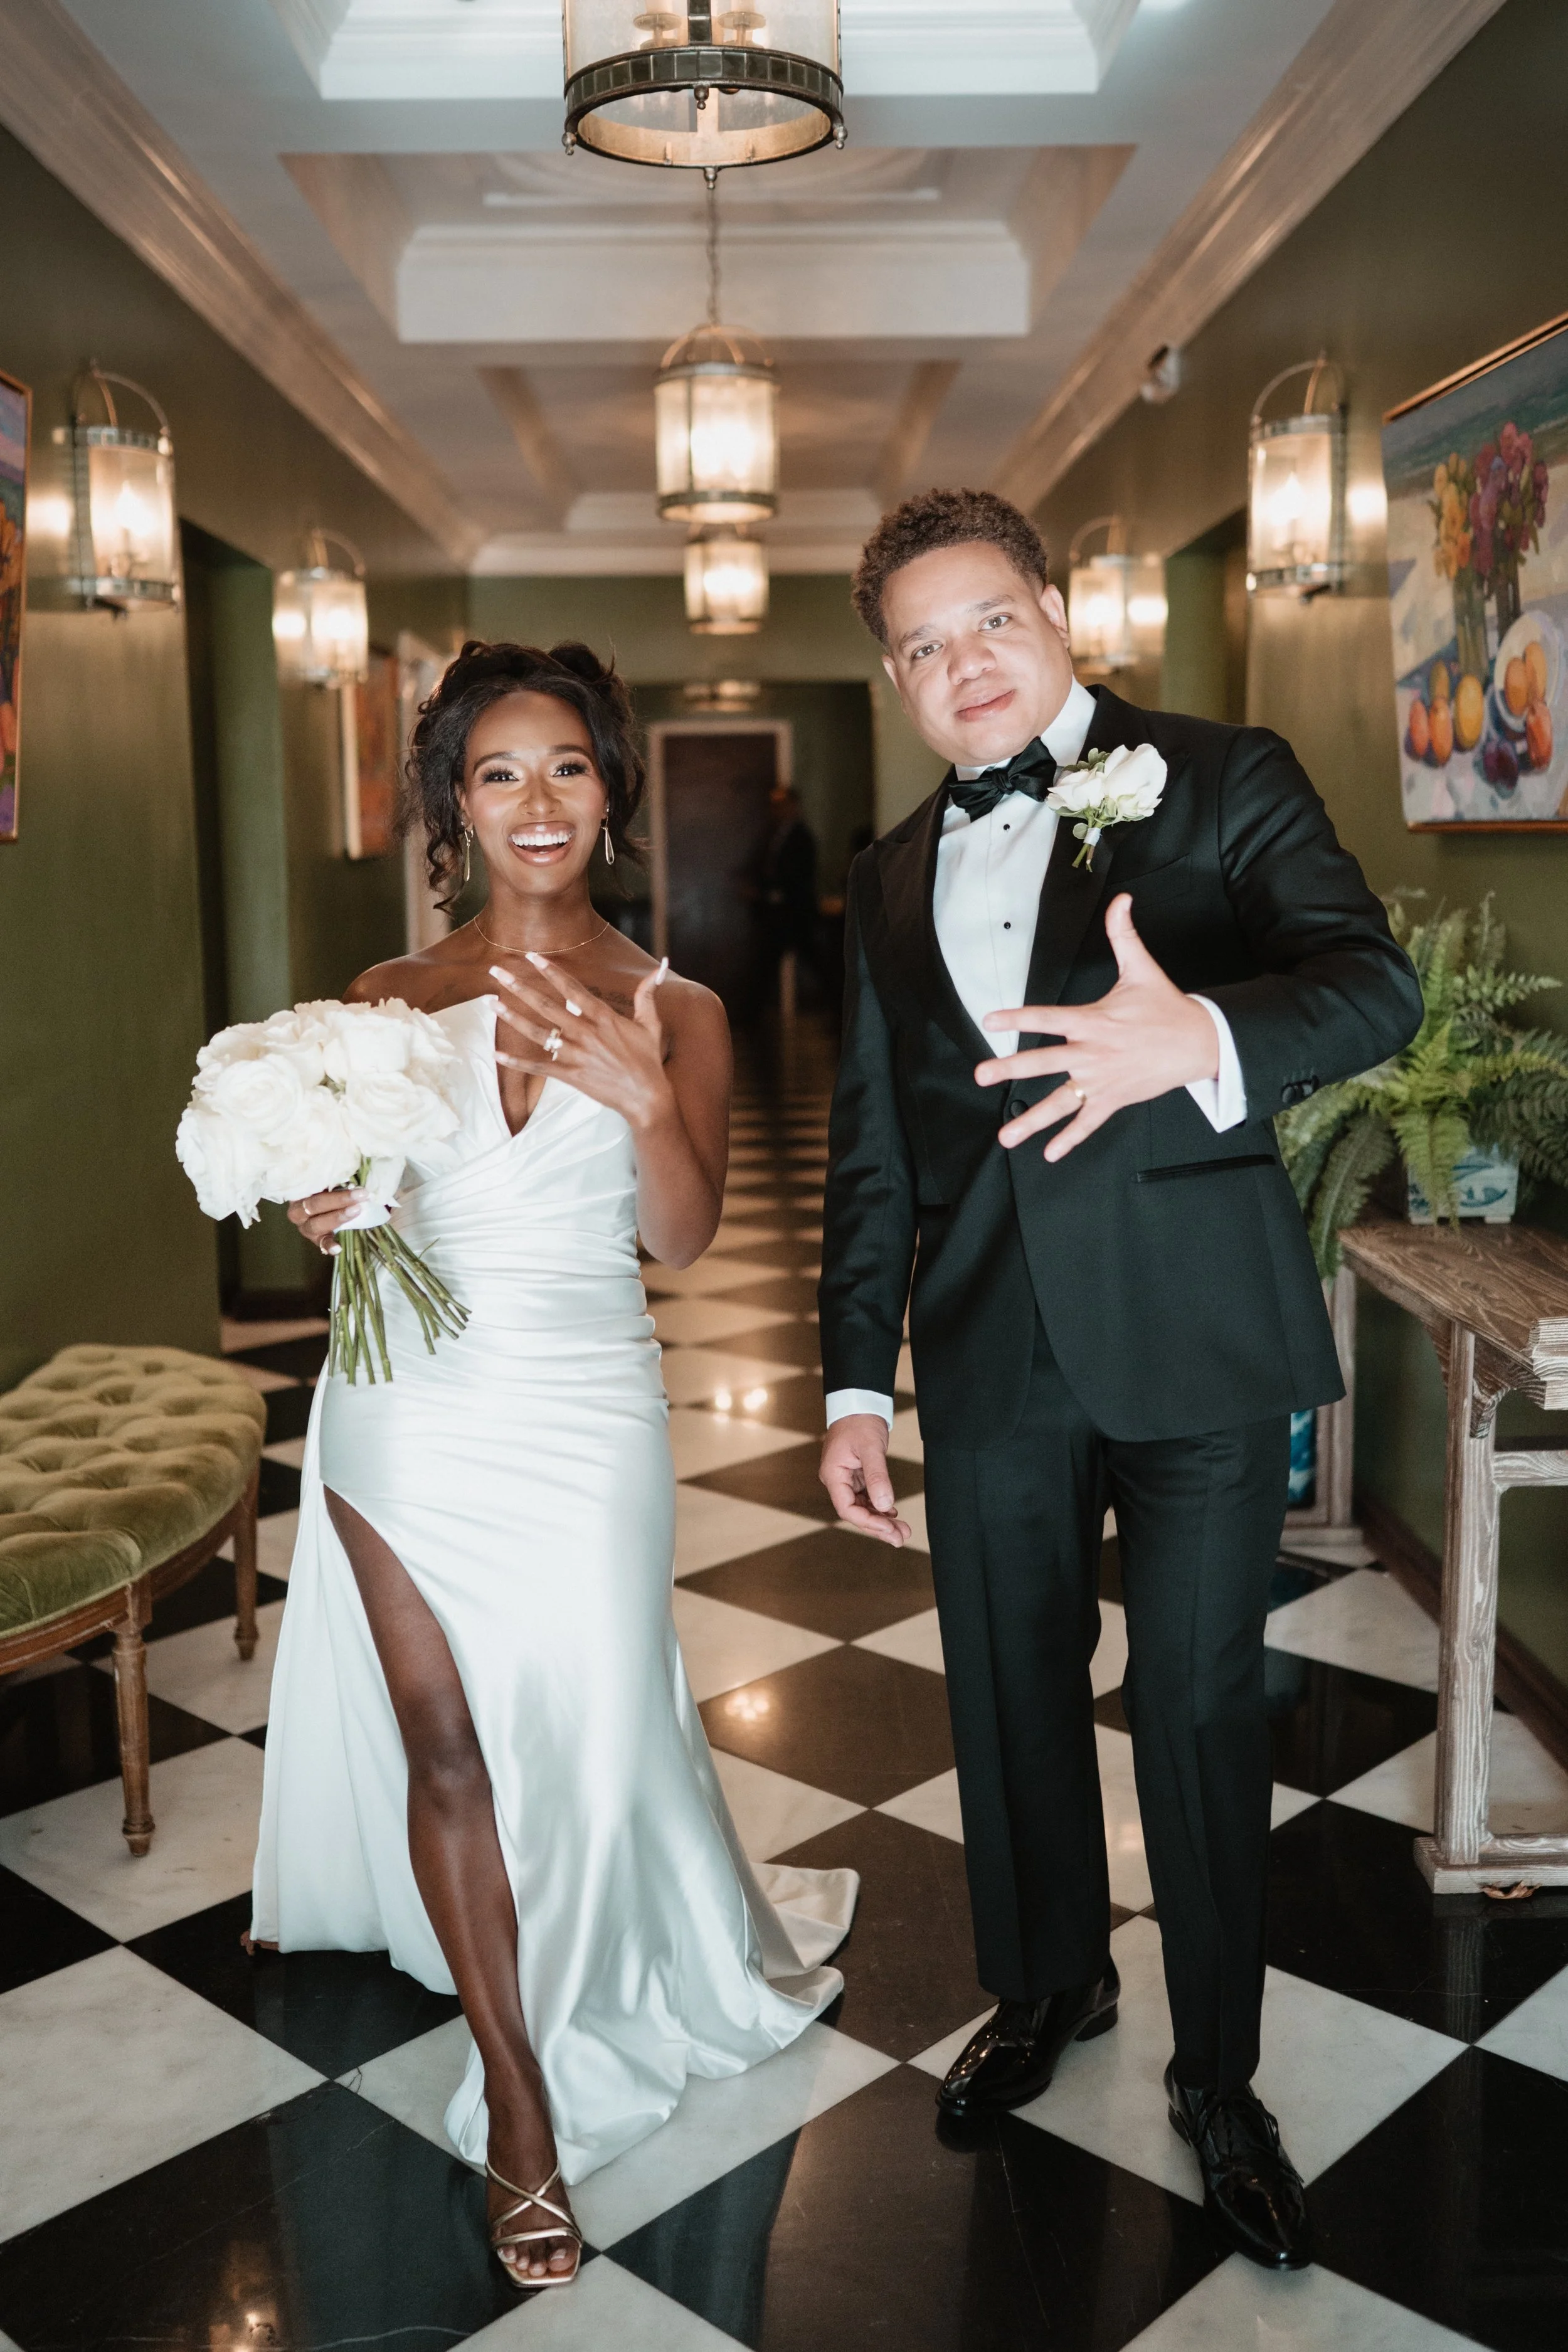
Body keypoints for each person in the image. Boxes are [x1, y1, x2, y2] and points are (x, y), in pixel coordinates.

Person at [816, 491, 1422, 2273]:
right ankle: (1046, 1985)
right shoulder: (880, 873)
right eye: (920, 646)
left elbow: (1370, 984)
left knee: (1198, 1703)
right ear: (897, 681)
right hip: (989, 1347)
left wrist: (1206, 1035)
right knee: (1005, 1690)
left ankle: (1219, 2072)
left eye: (985, 620)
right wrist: (858, 1379)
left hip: (1195, 1333)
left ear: (1057, 613)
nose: (960, 666)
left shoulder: (1220, 773)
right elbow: (875, 1152)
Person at [252, 639, 855, 2289]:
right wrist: (330, 1209)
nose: (537, 801)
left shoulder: (686, 1005)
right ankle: (522, 2101)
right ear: (454, 796)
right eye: (501, 770)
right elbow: (363, 1215)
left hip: (586, 1412)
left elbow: (681, 1234)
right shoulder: (379, 999)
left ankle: (623, 1963)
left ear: (613, 794)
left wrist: (640, 1094)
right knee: (443, 1743)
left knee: (582, 1740)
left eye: (570, 767)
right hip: (397, 1406)